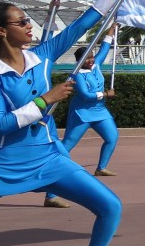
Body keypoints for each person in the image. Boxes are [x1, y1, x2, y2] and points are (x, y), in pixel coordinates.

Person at [0, 0, 141, 246]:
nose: (29, 25)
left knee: (110, 206)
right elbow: (0, 124)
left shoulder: (43, 54)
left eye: (27, 20)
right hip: (1, 164)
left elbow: (83, 24)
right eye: (21, 21)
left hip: (49, 159)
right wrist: (45, 99)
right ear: (1, 31)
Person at [44, 23, 120, 208]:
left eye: (93, 57)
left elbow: (104, 48)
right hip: (82, 114)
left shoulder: (97, 65)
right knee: (66, 149)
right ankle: (50, 194)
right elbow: (85, 95)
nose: (92, 60)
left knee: (112, 137)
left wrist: (111, 31)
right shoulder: (76, 75)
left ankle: (101, 168)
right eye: (88, 58)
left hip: (100, 112)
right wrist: (105, 94)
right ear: (81, 60)